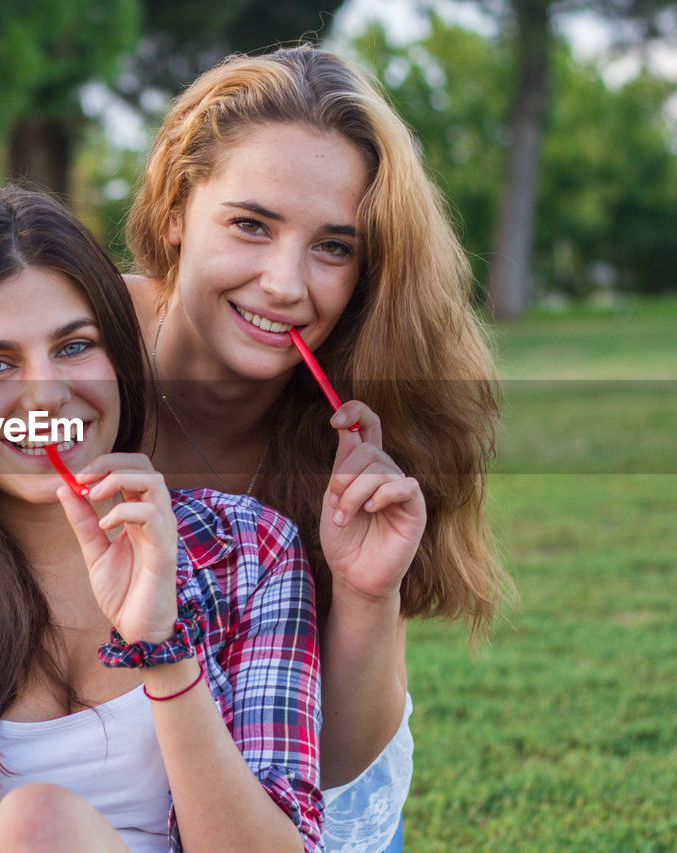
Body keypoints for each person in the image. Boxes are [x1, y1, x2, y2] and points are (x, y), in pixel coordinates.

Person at [0, 183, 324, 852]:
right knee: (35, 826)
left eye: (75, 346)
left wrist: (162, 647)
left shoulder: (248, 547)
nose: (45, 393)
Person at [124, 45, 515, 851]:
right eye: (250, 225)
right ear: (174, 212)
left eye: (333, 246)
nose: (285, 283)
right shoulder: (70, 351)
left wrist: (368, 594)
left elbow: (335, 771)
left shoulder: (368, 414)